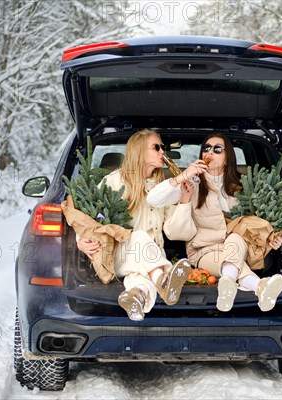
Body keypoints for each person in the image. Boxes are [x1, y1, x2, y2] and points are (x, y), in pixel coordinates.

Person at [147, 134, 282, 312]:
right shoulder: (191, 184)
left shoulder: (243, 190)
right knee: (233, 260)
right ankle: (260, 287)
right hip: (204, 251)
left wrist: (271, 237)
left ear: (228, 157)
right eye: (206, 148)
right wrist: (183, 177)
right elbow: (153, 199)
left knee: (235, 239)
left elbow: (256, 223)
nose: (210, 152)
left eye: (217, 149)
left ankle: (227, 287)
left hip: (237, 247)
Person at [76, 129, 198, 321]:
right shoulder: (113, 181)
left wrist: (184, 201)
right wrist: (81, 241)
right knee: (140, 236)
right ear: (139, 151)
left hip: (148, 260)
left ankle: (135, 297)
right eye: (156, 147)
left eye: (163, 148)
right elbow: (89, 216)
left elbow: (176, 233)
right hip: (117, 254)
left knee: (139, 278)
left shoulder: (162, 187)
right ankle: (163, 280)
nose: (162, 152)